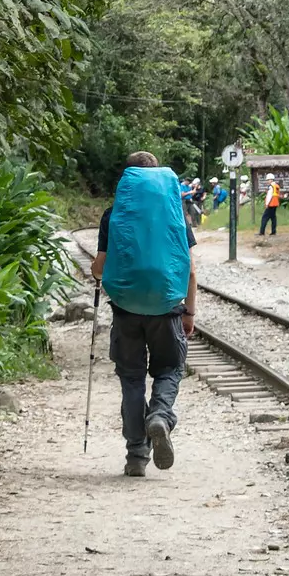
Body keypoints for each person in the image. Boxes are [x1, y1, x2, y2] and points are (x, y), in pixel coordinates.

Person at [94, 152, 197, 477]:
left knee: (132, 378)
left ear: (127, 179)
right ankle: (160, 416)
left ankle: (136, 455)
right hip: (167, 308)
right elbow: (191, 270)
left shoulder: (114, 215)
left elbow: (99, 268)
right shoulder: (175, 213)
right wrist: (189, 312)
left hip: (126, 310)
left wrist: (101, 272)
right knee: (169, 368)